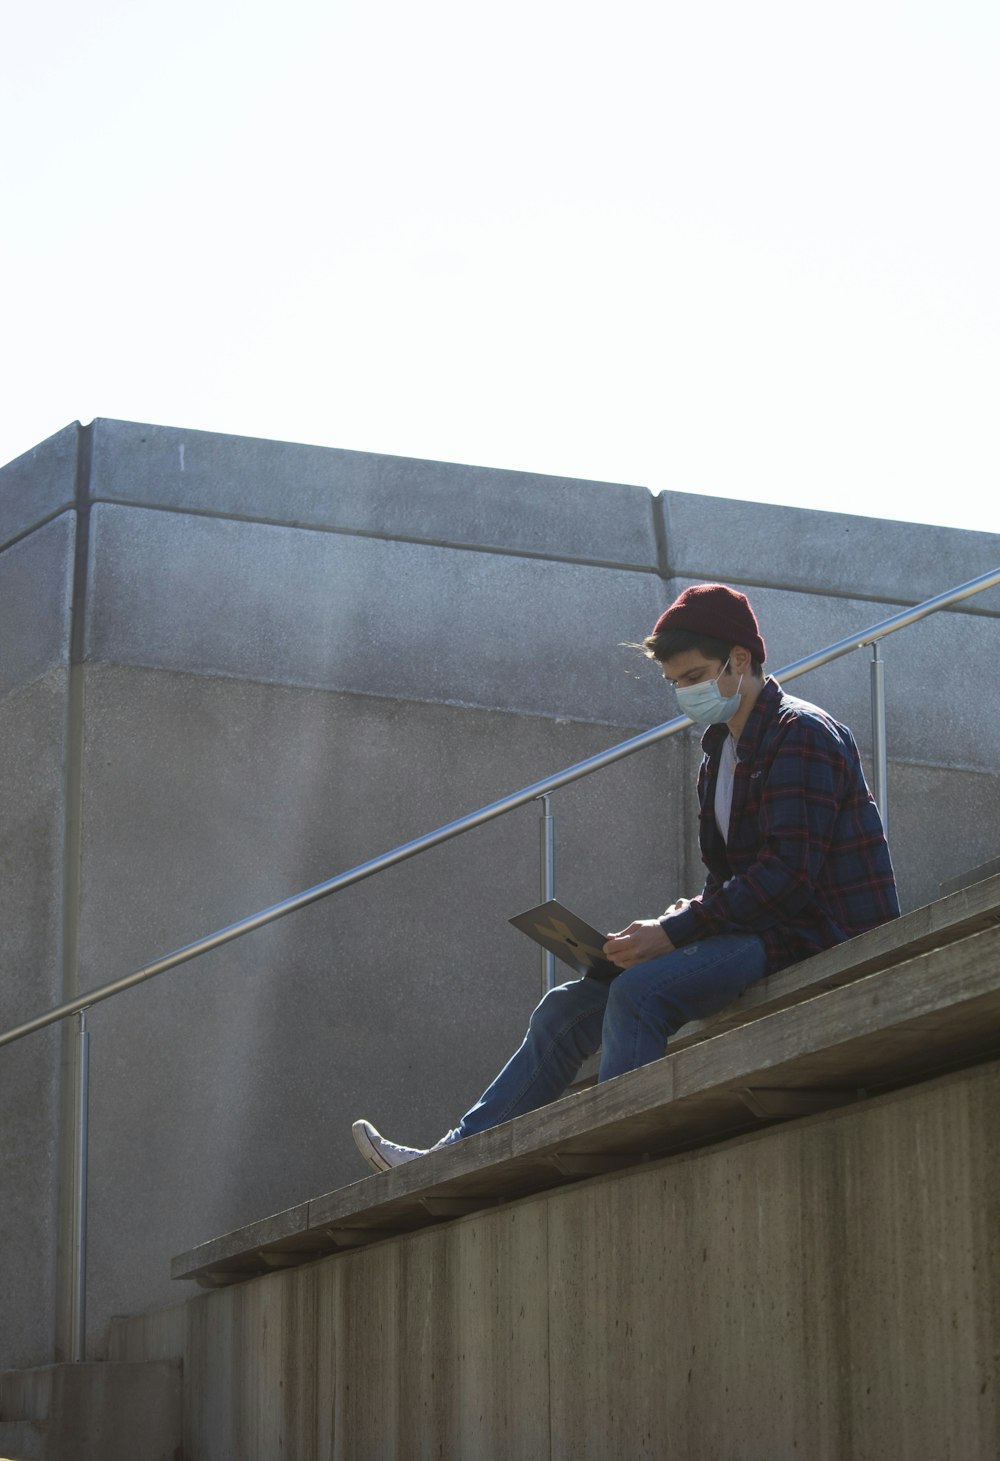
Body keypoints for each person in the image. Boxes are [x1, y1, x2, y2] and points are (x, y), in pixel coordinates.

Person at [352, 582, 900, 1173]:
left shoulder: (802, 734)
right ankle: (448, 1159)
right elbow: (729, 885)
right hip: (757, 931)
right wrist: (661, 930)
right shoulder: (720, 754)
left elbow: (788, 878)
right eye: (676, 683)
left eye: (694, 677)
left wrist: (677, 933)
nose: (685, 693)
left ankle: (624, 1168)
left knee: (640, 995)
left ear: (740, 661)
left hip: (817, 933)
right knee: (565, 1008)